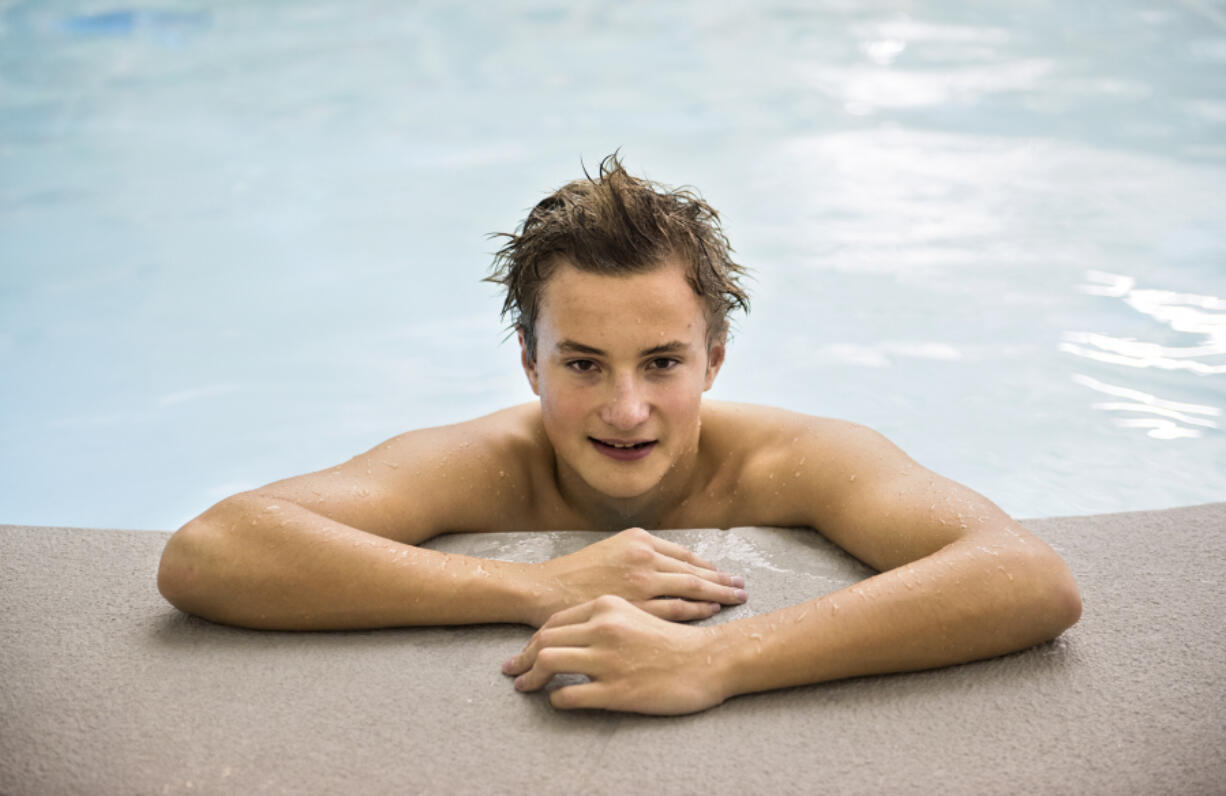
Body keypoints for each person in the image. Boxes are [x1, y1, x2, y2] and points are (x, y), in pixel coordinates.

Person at [157, 153, 1082, 716]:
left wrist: (718, 658)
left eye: (664, 364)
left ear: (715, 359)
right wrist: (532, 585)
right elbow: (213, 550)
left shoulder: (793, 459)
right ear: (529, 363)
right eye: (584, 363)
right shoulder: (485, 466)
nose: (627, 410)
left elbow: (1026, 576)